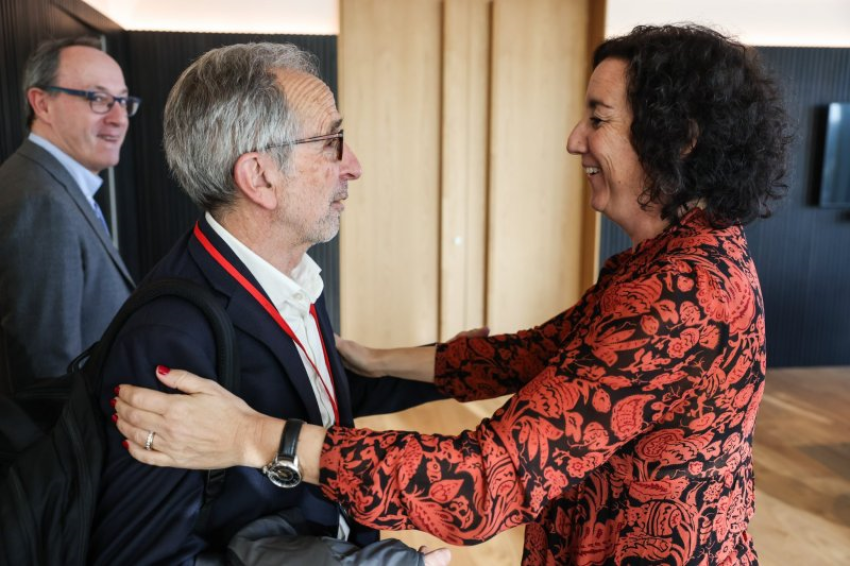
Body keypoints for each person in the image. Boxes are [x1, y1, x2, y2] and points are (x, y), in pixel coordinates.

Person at [113, 25, 792, 565]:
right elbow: (532, 356)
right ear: (259, 177)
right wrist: (375, 361)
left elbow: (485, 482)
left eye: (599, 117)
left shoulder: (684, 293)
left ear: (679, 138)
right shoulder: (666, 262)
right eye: (334, 142)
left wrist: (257, 437)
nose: (574, 139)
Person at [89, 42, 450, 565]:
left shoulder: (286, 271)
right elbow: (144, 557)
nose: (353, 166)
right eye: (332, 142)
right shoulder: (170, 336)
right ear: (259, 176)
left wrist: (473, 368)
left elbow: (314, 399)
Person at [0, 37, 136, 395]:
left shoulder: (54, 186)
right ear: (42, 103)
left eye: (122, 101)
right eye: (98, 99)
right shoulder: (39, 201)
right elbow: (48, 371)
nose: (118, 118)